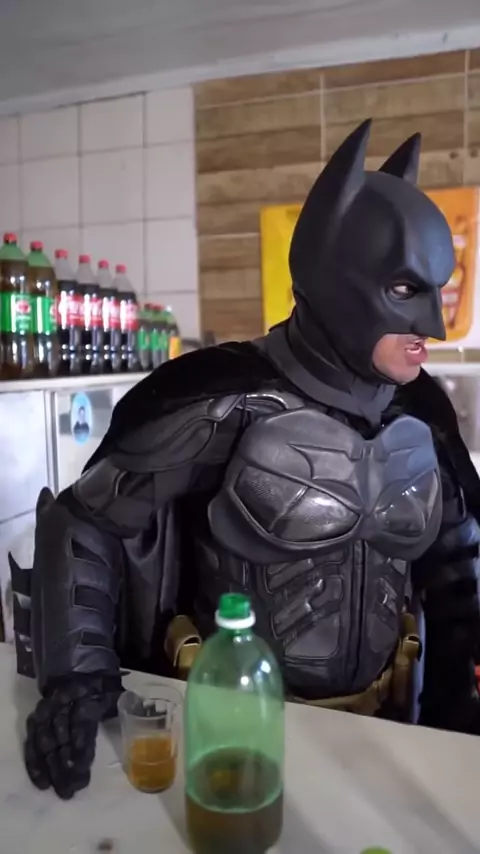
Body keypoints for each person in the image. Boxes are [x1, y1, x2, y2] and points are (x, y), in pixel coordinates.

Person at [13, 119, 480, 801]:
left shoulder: (421, 411)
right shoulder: (222, 399)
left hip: (390, 731)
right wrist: (78, 681)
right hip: (236, 735)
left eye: (438, 289)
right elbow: (86, 523)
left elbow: (459, 559)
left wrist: (458, 702)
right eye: (405, 292)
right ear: (337, 281)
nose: (432, 326)